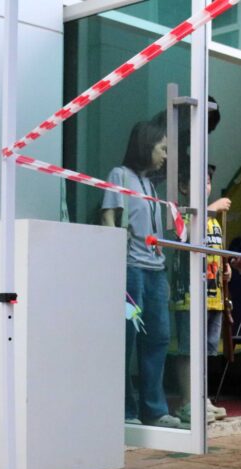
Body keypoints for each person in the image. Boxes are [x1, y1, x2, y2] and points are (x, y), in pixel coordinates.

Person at [101, 120, 183, 428]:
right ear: (146, 146)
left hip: (155, 273)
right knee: (126, 338)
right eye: (162, 148)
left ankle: (154, 410)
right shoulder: (119, 175)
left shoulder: (150, 184)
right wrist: (114, 265)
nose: (165, 155)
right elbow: (109, 218)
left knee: (158, 339)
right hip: (130, 272)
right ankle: (125, 411)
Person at [169, 165, 231, 423]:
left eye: (207, 182)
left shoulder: (212, 218)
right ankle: (187, 401)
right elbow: (187, 236)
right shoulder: (183, 213)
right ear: (184, 187)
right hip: (190, 295)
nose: (205, 187)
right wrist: (212, 208)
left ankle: (201, 397)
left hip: (213, 294)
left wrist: (225, 266)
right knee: (188, 349)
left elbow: (214, 247)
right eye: (198, 181)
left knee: (207, 350)